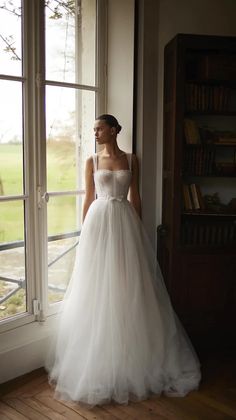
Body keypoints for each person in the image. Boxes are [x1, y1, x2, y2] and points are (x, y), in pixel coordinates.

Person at [45, 114, 201, 407]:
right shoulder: (92, 159)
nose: (95, 133)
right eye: (93, 129)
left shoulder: (132, 158)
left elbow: (136, 195)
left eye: (99, 128)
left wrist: (139, 232)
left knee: (129, 284)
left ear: (114, 130)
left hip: (125, 222)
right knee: (98, 285)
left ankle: (135, 351)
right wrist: (84, 235)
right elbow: (89, 198)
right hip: (100, 223)